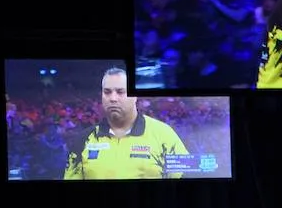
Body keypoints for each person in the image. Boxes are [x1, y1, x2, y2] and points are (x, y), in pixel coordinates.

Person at [65, 66, 193, 180]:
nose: (113, 98)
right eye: (107, 92)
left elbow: (186, 180)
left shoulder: (164, 134)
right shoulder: (83, 140)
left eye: (121, 92)